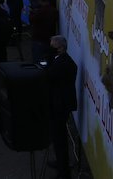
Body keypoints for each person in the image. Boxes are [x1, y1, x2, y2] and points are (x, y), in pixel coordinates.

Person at [45, 35, 78, 179]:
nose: (50, 48)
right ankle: (61, 163)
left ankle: (63, 172)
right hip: (59, 104)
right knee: (58, 138)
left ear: (61, 48)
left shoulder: (63, 64)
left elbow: (49, 76)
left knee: (59, 139)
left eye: (53, 46)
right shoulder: (62, 61)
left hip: (59, 106)